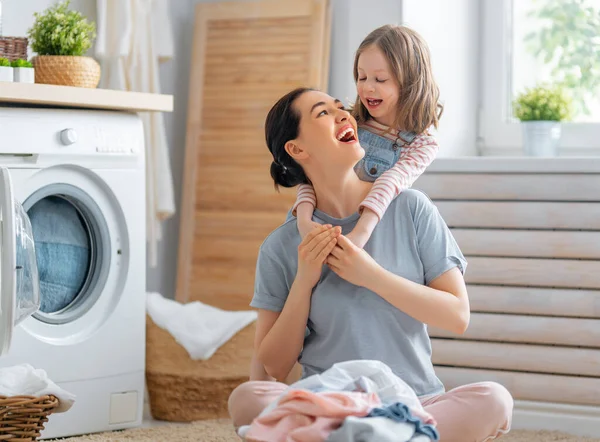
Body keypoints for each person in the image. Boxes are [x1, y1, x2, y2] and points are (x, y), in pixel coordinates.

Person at [228, 88, 513, 441]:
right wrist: (305, 280)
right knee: (247, 398)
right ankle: (385, 434)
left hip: (415, 402)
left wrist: (371, 276)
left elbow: (457, 315)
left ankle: (377, 432)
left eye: (341, 108)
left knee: (494, 399)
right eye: (323, 113)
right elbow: (274, 365)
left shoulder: (411, 208)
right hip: (329, 403)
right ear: (297, 149)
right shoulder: (281, 246)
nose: (345, 115)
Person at [294, 24, 441, 249]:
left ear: (411, 82)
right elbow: (312, 172)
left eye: (380, 80)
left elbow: (389, 182)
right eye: (361, 78)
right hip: (320, 226)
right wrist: (303, 220)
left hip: (373, 235)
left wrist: (360, 234)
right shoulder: (349, 122)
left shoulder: (421, 145)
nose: (367, 88)